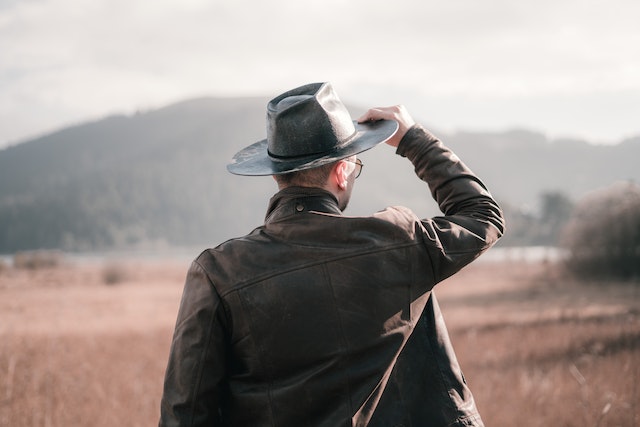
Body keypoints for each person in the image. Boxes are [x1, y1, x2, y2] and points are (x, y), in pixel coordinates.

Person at [159, 82, 505, 427]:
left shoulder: (219, 272)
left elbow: (185, 416)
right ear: (342, 172)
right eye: (355, 165)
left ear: (278, 174)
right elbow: (482, 215)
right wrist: (413, 138)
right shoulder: (400, 240)